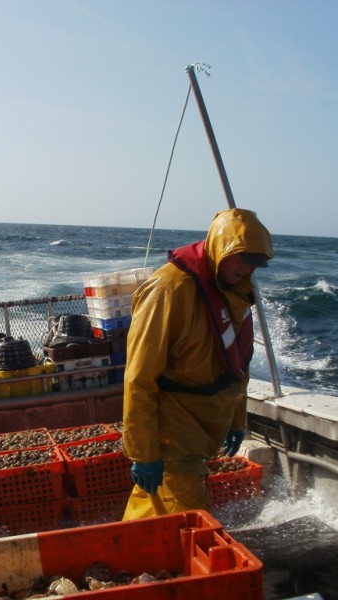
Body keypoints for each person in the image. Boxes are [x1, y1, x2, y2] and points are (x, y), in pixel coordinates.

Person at [122, 208, 273, 518]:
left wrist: (237, 420)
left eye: (255, 264)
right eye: (241, 258)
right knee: (187, 524)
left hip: (205, 430)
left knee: (154, 517)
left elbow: (238, 364)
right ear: (220, 248)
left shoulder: (236, 291)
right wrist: (144, 453)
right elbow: (139, 377)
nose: (247, 270)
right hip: (173, 435)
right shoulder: (168, 289)